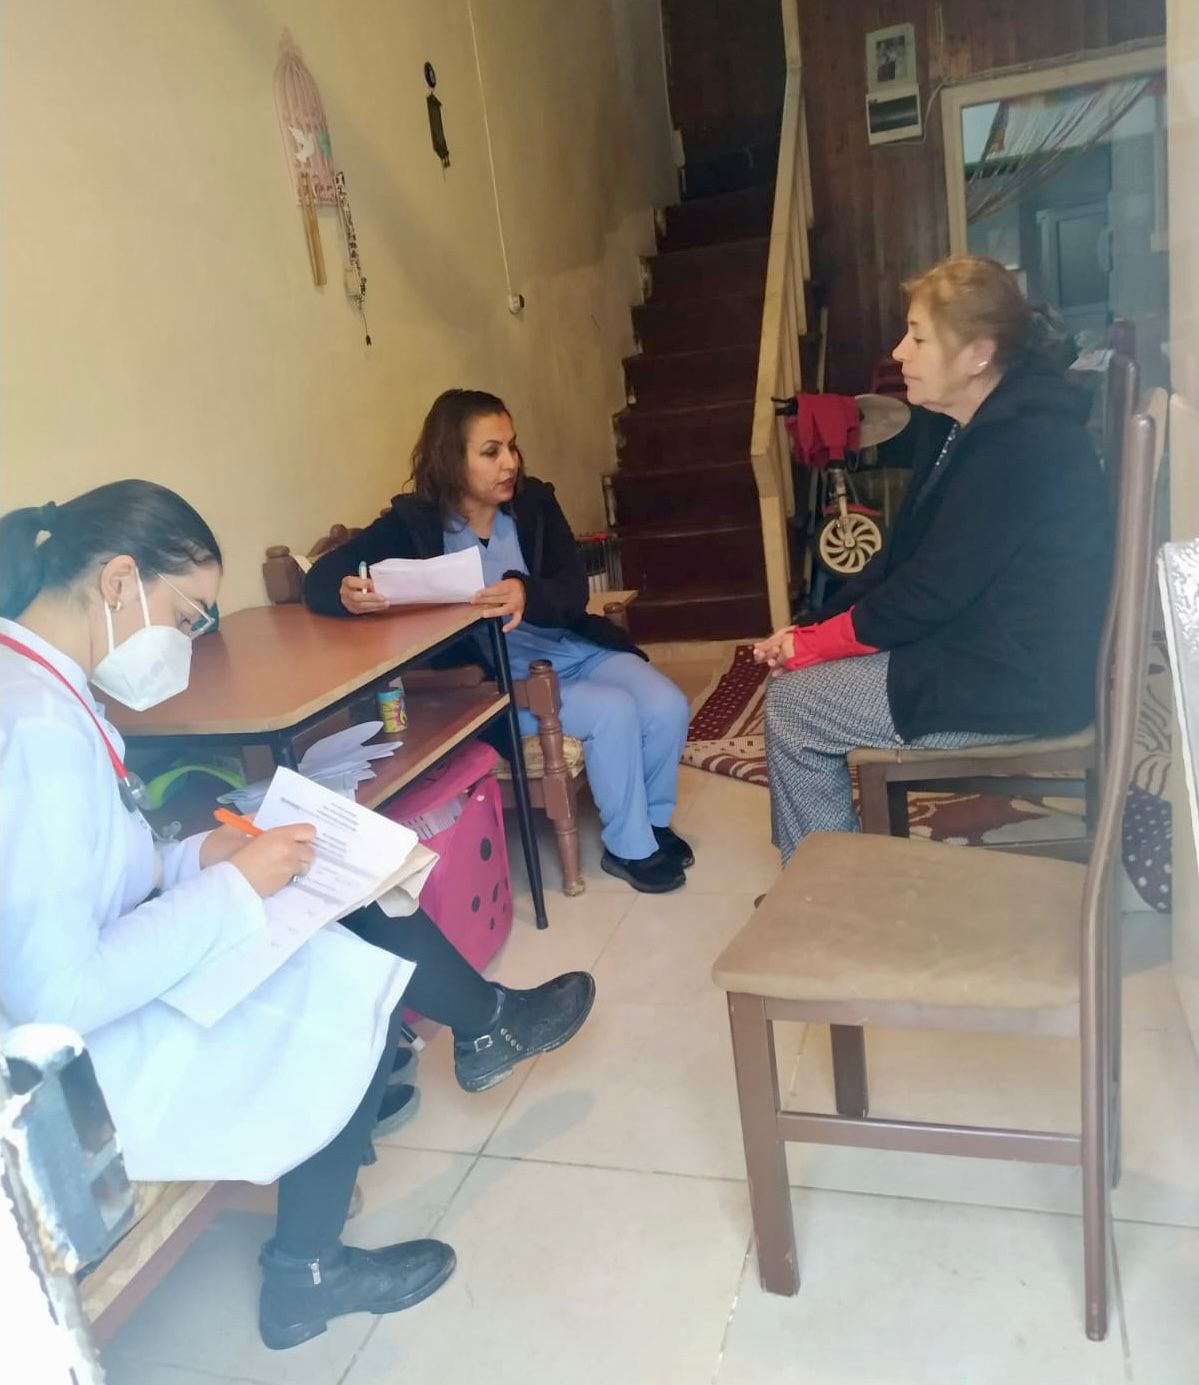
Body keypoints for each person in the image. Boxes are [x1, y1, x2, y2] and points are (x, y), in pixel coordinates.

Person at [0, 480, 595, 1351]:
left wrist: (204, 855)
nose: (188, 643)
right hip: (76, 1067)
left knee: (335, 897)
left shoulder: (45, 690)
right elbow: (57, 994)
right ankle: (306, 1273)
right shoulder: (36, 731)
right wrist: (236, 886)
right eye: (188, 616)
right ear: (120, 581)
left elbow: (100, 876)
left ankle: (485, 1025)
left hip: (104, 986)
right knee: (344, 981)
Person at [754, 255, 1110, 863]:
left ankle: (831, 894)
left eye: (917, 338)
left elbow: (932, 590)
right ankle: (827, 878)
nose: (899, 352)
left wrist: (816, 646)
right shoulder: (961, 426)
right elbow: (903, 559)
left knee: (794, 706)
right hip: (980, 642)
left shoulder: (1021, 442)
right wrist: (810, 629)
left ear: (978, 354)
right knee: (797, 679)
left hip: (1019, 676)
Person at [304, 388, 694, 894]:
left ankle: (654, 825)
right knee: (612, 711)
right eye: (491, 452)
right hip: (497, 681)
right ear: (451, 459)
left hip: (571, 648)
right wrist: (345, 594)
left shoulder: (535, 504)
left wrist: (526, 592)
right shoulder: (413, 525)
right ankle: (629, 848)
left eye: (511, 447)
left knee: (666, 704)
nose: (510, 462)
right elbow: (321, 579)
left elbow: (572, 591)